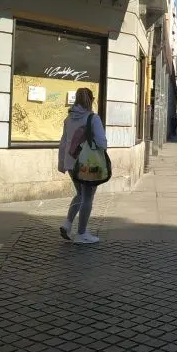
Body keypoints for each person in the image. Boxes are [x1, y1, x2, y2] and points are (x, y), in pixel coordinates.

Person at [58, 88, 106, 244]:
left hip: (71, 163)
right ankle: (82, 233)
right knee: (88, 197)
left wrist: (62, 163)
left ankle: (67, 224)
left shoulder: (69, 119)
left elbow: (63, 142)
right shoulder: (93, 118)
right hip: (87, 163)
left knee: (80, 194)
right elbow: (101, 142)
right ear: (91, 100)